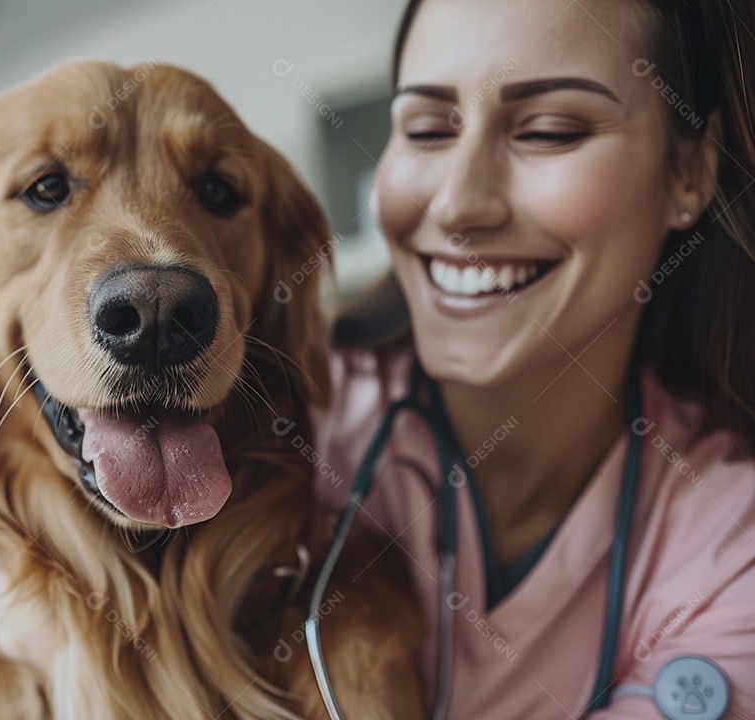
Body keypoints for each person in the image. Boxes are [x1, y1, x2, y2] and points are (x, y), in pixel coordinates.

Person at [315, 0, 755, 716]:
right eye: (426, 130)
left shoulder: (729, 542)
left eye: (549, 131)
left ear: (691, 175)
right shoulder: (282, 430)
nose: (459, 204)